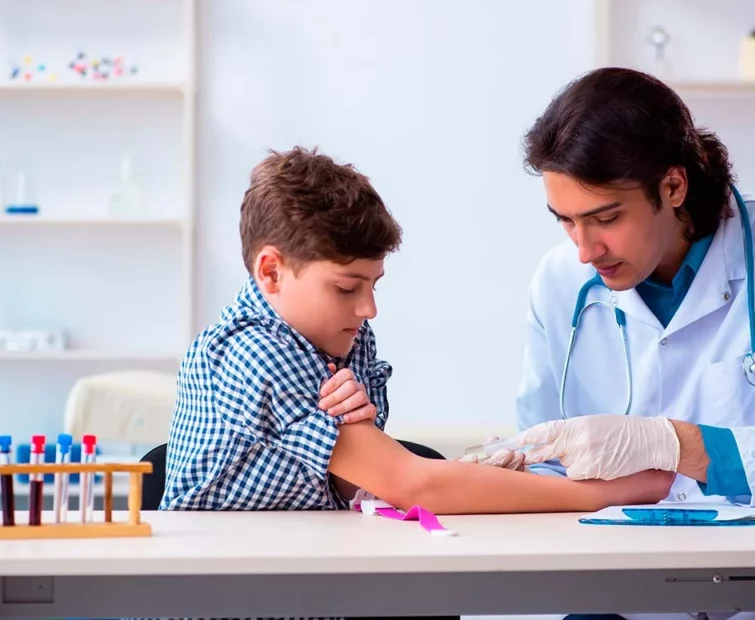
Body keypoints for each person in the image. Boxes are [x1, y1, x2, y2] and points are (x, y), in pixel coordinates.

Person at [470, 67, 755, 620]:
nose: (585, 250)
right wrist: (513, 473)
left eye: (606, 218)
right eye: (566, 222)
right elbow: (552, 464)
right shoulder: (560, 284)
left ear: (673, 187)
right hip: (624, 589)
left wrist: (669, 444)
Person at [161, 145, 673, 522]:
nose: (369, 308)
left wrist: (487, 477)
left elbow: (348, 478)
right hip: (225, 587)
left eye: (373, 284)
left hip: (304, 559)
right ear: (271, 272)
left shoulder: (341, 335)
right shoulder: (256, 350)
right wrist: (606, 493)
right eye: (346, 288)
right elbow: (412, 482)